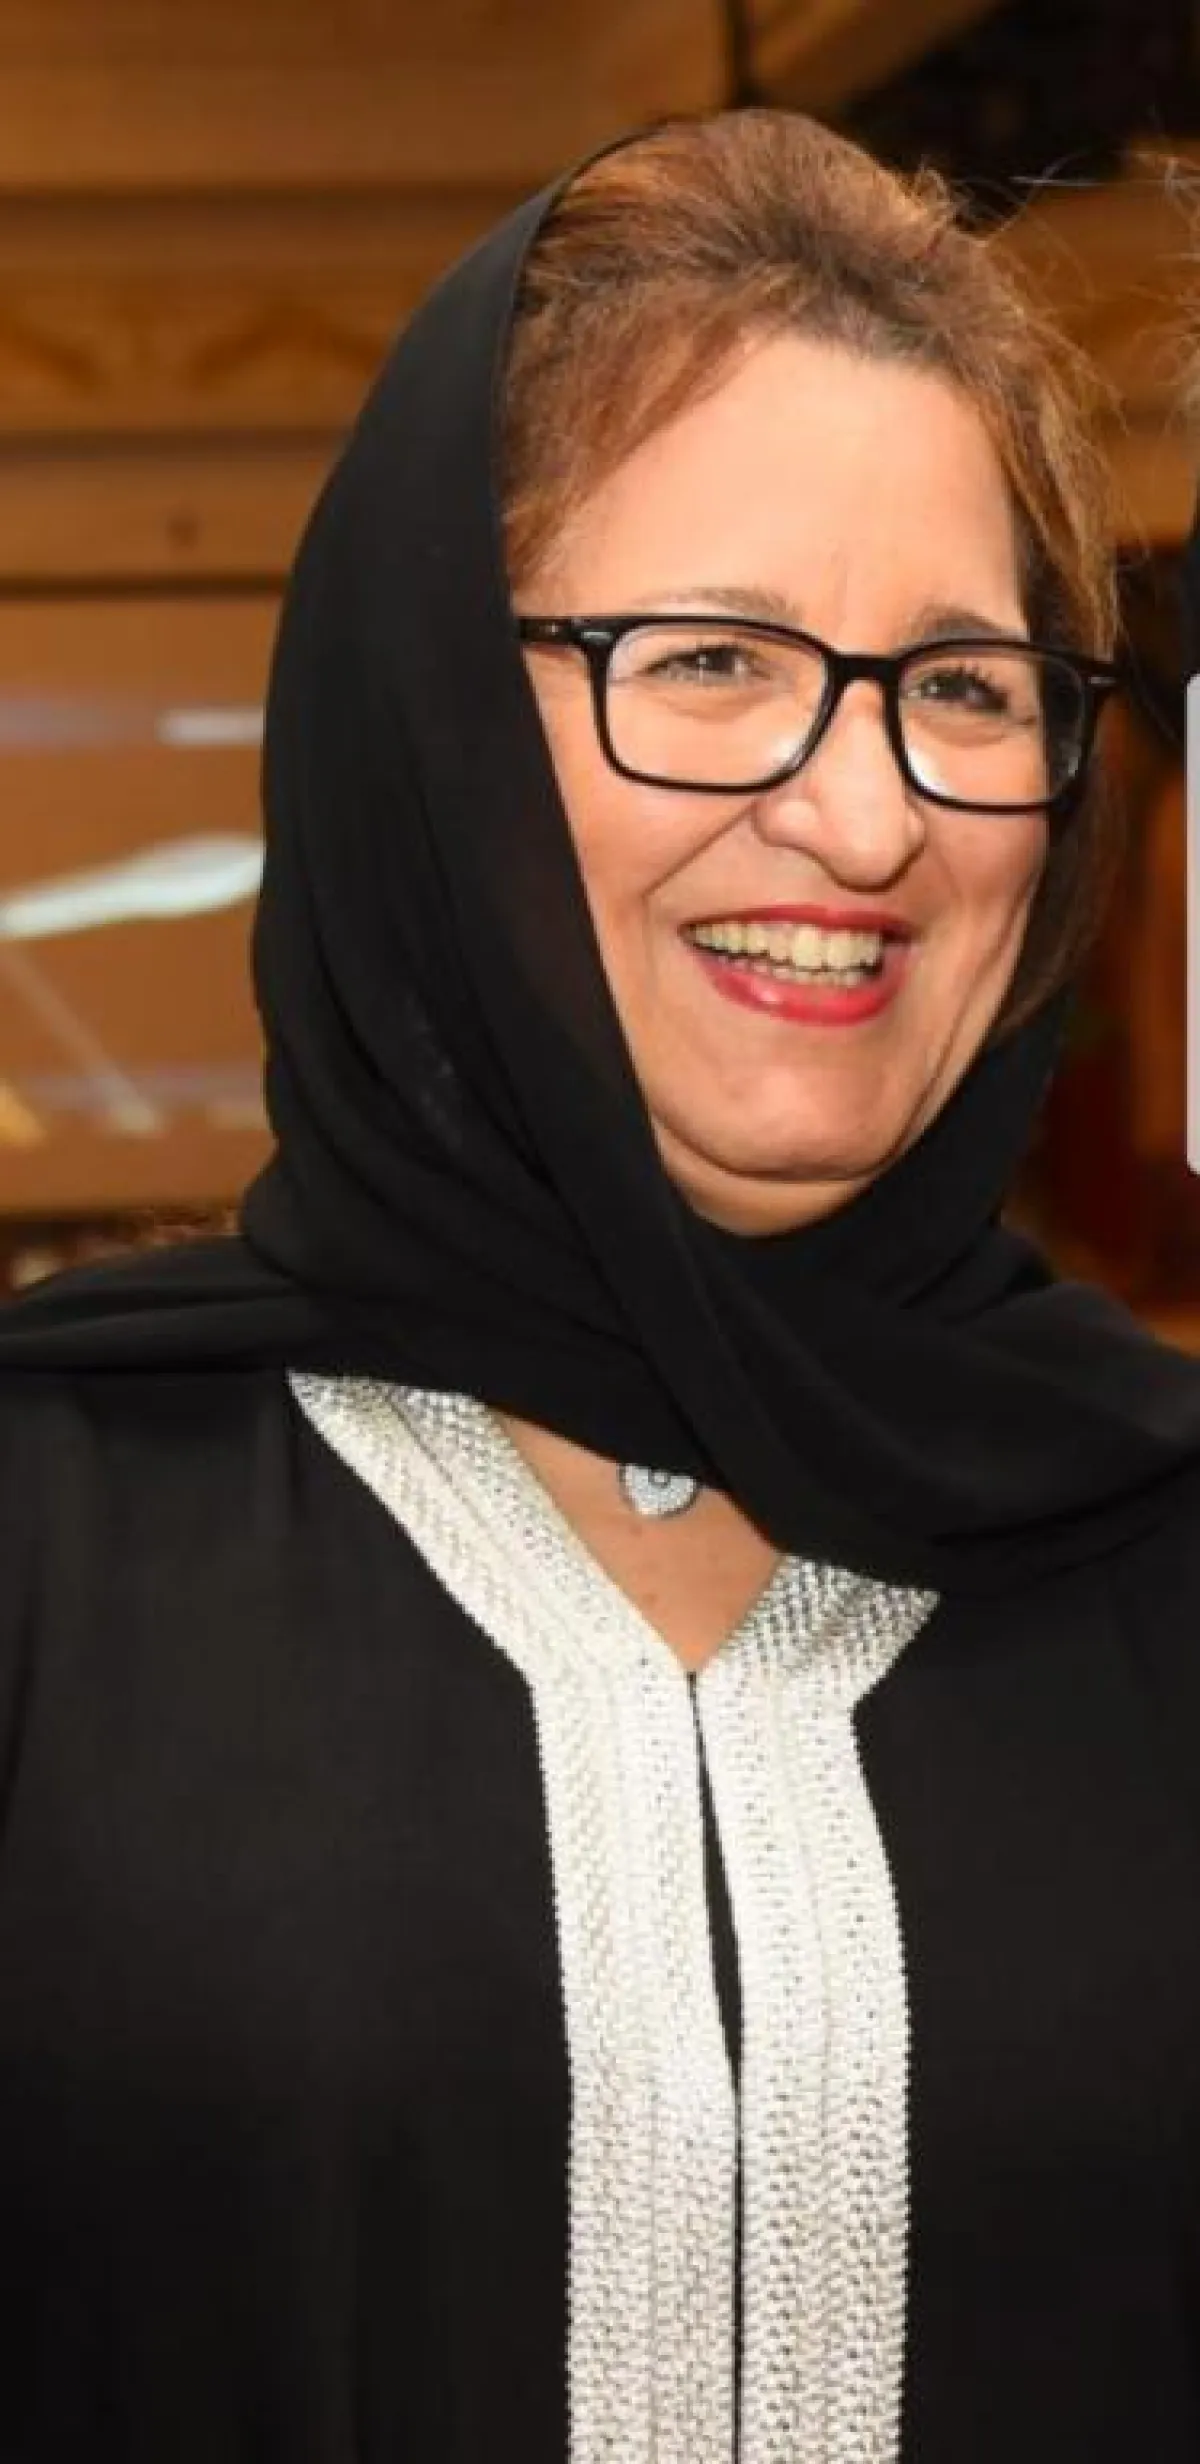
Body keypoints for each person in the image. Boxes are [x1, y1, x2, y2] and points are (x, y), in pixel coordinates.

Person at [1, 106, 1200, 2464]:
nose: (865, 816)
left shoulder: (1165, 1548)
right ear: (433, 724)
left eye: (966, 687)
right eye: (715, 656)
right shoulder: (50, 1556)